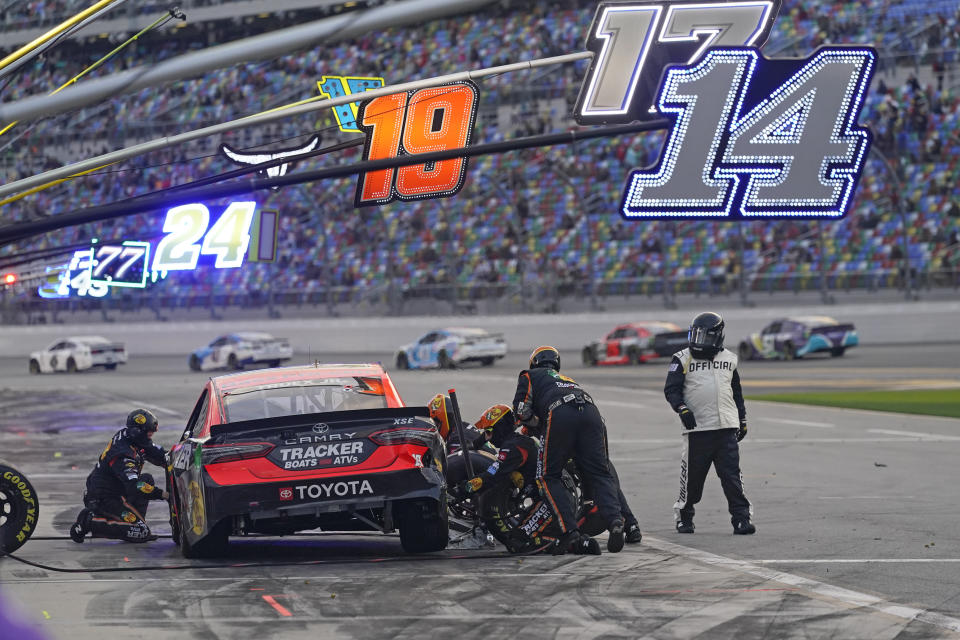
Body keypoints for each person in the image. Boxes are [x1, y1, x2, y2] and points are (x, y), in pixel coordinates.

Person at [513, 346, 624, 555]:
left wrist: (536, 425)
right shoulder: (568, 380)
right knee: (600, 473)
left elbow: (521, 410)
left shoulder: (529, 375)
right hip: (591, 412)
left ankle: (570, 531)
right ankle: (616, 522)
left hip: (560, 412)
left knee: (548, 476)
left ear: (533, 363)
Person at [664, 312, 754, 535]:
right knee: (693, 480)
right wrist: (681, 408)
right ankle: (684, 516)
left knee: (732, 478)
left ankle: (741, 518)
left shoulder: (730, 359)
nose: (699, 341)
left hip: (726, 428)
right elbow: (671, 389)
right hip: (698, 430)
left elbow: (736, 393)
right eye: (696, 335)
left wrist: (741, 419)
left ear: (717, 336)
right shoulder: (682, 358)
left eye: (704, 336)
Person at [69, 409, 169, 543]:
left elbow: (156, 452)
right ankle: (89, 521)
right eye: (148, 433)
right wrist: (165, 495)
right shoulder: (123, 454)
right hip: (104, 498)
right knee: (141, 532)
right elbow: (135, 487)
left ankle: (131, 525)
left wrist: (175, 456)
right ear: (138, 432)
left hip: (119, 490)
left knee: (147, 479)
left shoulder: (130, 436)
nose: (150, 436)